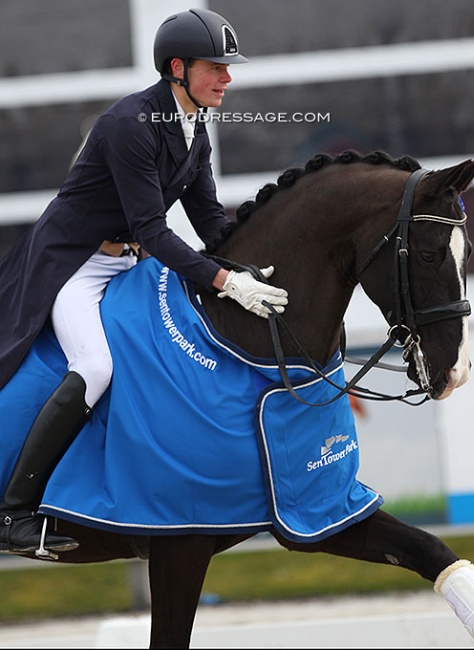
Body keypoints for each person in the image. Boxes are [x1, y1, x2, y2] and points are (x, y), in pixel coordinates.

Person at [0, 8, 288, 555]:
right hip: (74, 263)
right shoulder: (129, 124)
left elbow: (211, 223)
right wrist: (224, 281)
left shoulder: (195, 126)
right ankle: (13, 513)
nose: (228, 78)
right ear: (178, 68)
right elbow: (152, 229)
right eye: (216, 67)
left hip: (128, 263)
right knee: (97, 365)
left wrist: (248, 264)